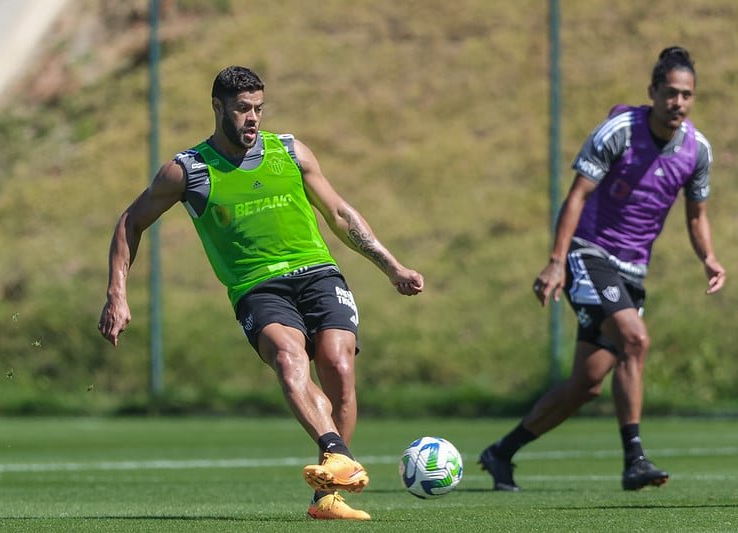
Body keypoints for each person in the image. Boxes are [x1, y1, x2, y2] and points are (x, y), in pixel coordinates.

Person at [97, 65, 424, 520]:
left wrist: (391, 266)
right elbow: (130, 221)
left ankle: (328, 496)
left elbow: (340, 215)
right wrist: (118, 292)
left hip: (318, 273)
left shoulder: (289, 151)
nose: (253, 118)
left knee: (338, 365)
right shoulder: (188, 170)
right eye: (243, 109)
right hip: (256, 286)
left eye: (258, 109)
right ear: (218, 108)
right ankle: (335, 452)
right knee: (289, 358)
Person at [478, 46, 726, 492]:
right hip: (589, 254)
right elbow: (576, 196)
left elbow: (696, 215)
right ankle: (635, 459)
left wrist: (707, 256)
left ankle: (501, 453)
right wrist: (556, 262)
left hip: (632, 269)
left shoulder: (697, 150)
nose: (679, 103)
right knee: (635, 339)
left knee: (587, 384)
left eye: (687, 95)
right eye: (670, 93)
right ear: (652, 92)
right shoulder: (620, 131)